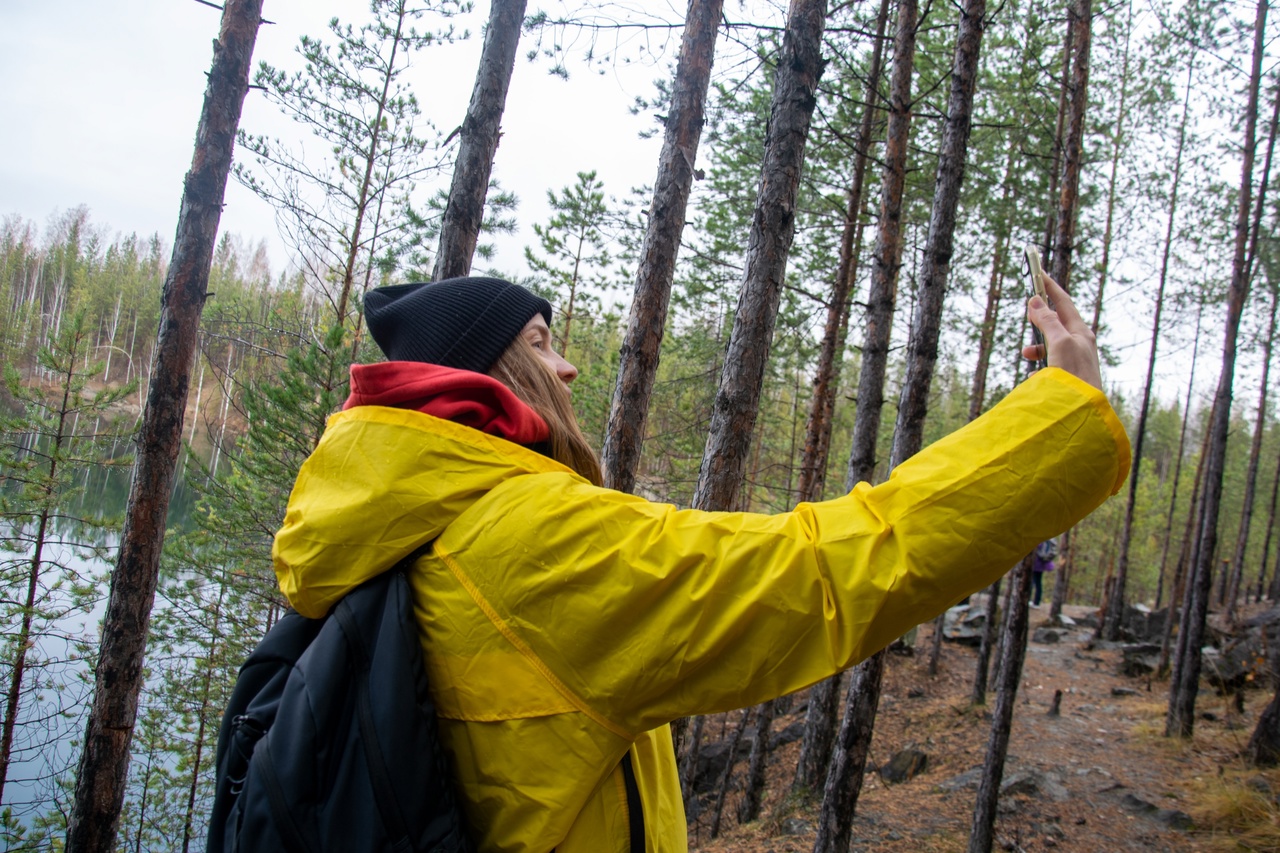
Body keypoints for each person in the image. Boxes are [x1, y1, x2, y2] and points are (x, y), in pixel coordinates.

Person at [272, 274, 1129, 852]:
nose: (568, 364)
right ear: (490, 374)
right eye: (540, 341)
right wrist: (1059, 413)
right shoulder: (531, 545)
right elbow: (819, 571)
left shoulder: (397, 523)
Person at [1031, 539, 1058, 608]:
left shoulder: (1041, 540)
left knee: (1034, 582)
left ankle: (1034, 602)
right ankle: (1036, 602)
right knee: (1038, 583)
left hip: (1036, 563)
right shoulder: (1048, 540)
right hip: (1043, 564)